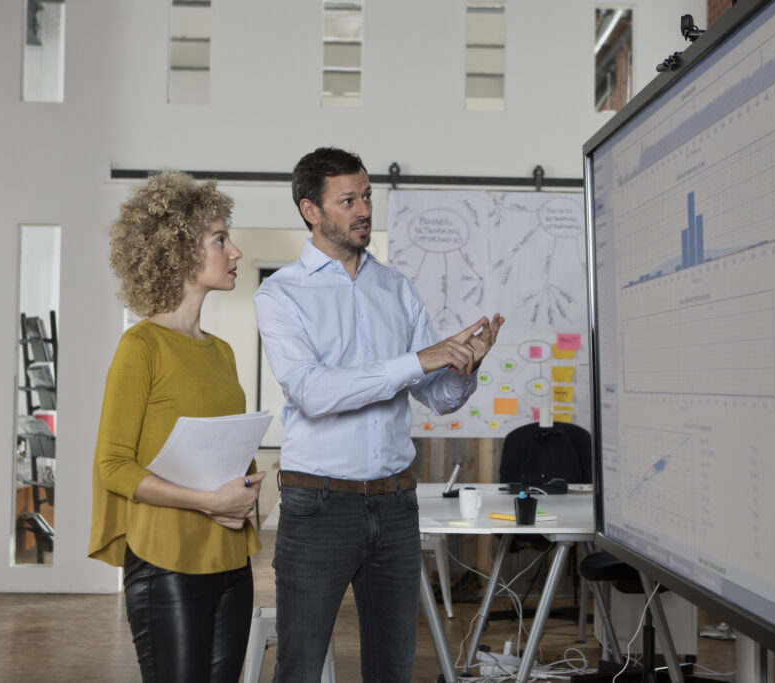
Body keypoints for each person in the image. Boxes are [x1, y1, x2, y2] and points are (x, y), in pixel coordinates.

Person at [254, 147, 504, 682]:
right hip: (317, 505)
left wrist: (460, 366)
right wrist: (420, 359)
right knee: (298, 668)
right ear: (311, 211)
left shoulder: (395, 288)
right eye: (348, 200)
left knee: (392, 669)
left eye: (367, 195)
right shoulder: (279, 294)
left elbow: (433, 397)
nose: (364, 209)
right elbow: (314, 392)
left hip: (394, 504)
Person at [88, 170, 266, 683]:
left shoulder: (224, 352)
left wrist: (246, 489)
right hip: (165, 562)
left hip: (231, 559)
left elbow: (230, 453)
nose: (234, 251)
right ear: (180, 252)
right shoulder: (139, 347)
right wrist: (209, 502)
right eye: (219, 239)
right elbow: (113, 466)